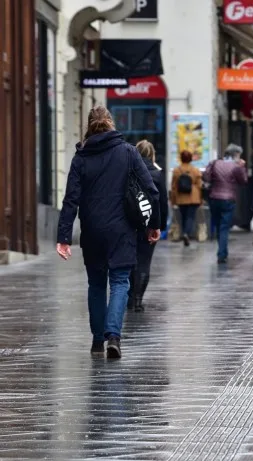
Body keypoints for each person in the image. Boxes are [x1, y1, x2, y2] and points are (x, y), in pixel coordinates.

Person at [56, 106, 161, 359]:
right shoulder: (128, 152)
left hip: (92, 230)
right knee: (119, 282)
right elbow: (151, 190)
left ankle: (96, 341)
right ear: (111, 124)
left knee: (95, 284)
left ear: (89, 126)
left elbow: (71, 199)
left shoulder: (81, 157)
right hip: (122, 229)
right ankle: (113, 336)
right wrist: (153, 224)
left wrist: (64, 237)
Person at [127, 140, 168, 312]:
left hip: (129, 222)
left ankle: (129, 297)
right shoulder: (157, 175)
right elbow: (162, 202)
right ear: (152, 155)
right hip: (150, 223)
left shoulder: (128, 171)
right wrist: (160, 225)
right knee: (144, 262)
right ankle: (138, 300)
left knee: (129, 261)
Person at [203, 143, 248, 264]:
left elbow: (206, 177)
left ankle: (223, 251)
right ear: (236, 154)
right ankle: (221, 254)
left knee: (218, 225)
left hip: (214, 198)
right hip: (228, 199)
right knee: (224, 227)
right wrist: (242, 167)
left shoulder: (215, 163)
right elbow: (243, 180)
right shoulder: (236, 166)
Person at [170, 150, 203, 246]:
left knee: (184, 216)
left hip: (181, 197)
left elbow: (174, 186)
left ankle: (185, 233)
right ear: (190, 159)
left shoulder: (177, 170)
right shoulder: (195, 170)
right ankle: (186, 234)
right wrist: (201, 199)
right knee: (190, 217)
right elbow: (200, 185)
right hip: (194, 197)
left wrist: (173, 200)